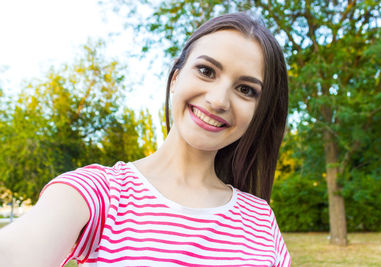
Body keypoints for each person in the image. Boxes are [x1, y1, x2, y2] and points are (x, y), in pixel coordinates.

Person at [0, 12, 291, 267]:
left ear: (259, 111)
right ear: (176, 78)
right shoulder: (99, 193)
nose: (218, 100)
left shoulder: (260, 220)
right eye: (206, 71)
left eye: (245, 89)